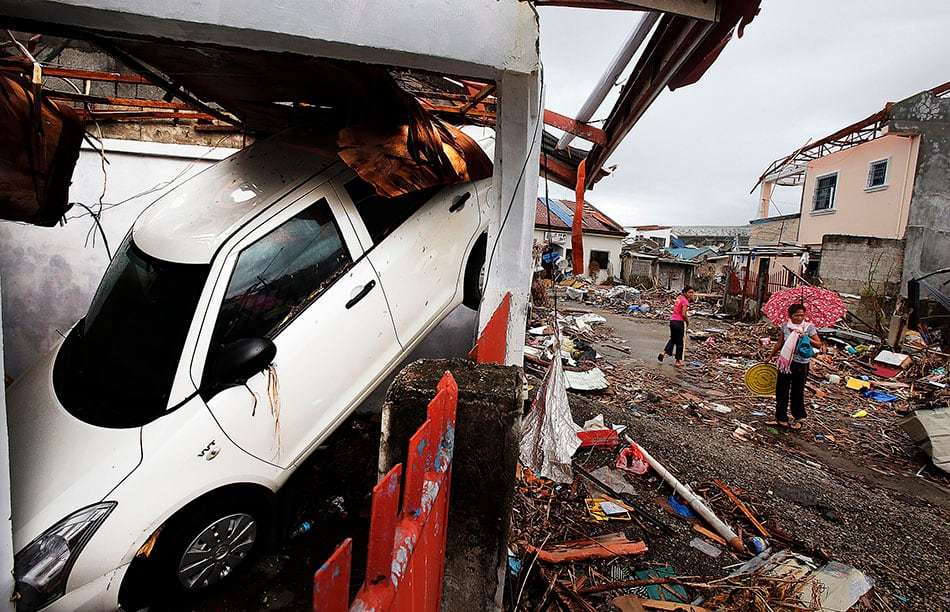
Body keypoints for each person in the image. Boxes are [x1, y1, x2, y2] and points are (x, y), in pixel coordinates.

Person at [768, 303, 822, 430]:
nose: (799, 318)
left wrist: (806, 337)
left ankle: (799, 418)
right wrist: (770, 356)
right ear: (790, 315)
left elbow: (819, 344)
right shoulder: (785, 326)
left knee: (797, 391)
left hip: (801, 364)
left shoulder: (809, 327)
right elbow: (780, 342)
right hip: (785, 362)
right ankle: (781, 418)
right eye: (796, 315)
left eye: (802, 315)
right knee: (781, 390)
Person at [658, 286, 694, 367]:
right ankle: (678, 361)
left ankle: (663, 353)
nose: (691, 294)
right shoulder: (685, 301)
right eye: (690, 292)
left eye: (692, 292)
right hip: (679, 322)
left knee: (673, 339)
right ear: (685, 293)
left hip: (672, 321)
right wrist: (687, 321)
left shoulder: (679, 298)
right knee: (680, 342)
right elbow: (684, 314)